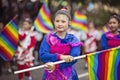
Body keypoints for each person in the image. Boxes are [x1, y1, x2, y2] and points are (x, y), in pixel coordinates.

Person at [39, 8, 82, 80]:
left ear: (69, 23)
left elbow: (74, 58)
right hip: (50, 75)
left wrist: (56, 66)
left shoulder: (73, 40)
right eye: (57, 21)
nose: (59, 24)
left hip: (68, 76)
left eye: (63, 21)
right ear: (54, 22)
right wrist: (60, 57)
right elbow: (43, 55)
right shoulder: (48, 38)